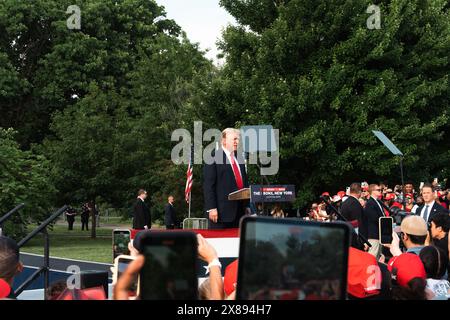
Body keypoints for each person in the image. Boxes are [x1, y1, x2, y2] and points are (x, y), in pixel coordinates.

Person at [203, 128, 249, 229]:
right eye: (235, 139)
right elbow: (208, 185)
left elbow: (244, 183)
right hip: (220, 214)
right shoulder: (213, 157)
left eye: (238, 139)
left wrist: (247, 205)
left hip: (240, 213)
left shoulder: (239, 158)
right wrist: (211, 208)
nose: (237, 142)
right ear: (224, 140)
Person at [360, 184, 386, 259]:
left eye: (380, 190)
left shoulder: (377, 202)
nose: (380, 191)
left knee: (377, 258)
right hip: (373, 236)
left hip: (378, 235)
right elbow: (375, 219)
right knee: (372, 258)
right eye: (378, 190)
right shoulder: (370, 203)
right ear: (372, 191)